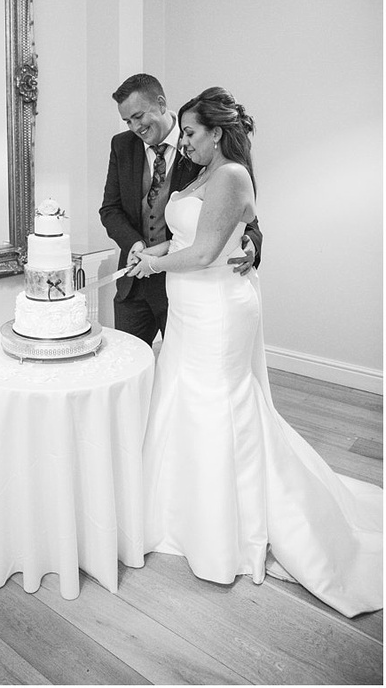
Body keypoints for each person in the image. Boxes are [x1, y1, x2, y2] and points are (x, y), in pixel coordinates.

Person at [129, 86, 382, 618]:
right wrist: (146, 249)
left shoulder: (231, 174)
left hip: (218, 309)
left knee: (219, 402)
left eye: (193, 134)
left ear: (216, 132)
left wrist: (154, 266)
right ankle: (183, 510)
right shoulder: (196, 172)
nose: (186, 143)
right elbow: (182, 238)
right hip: (190, 310)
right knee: (183, 399)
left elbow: (202, 252)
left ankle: (231, 525)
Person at [100, 73, 263, 346]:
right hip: (135, 284)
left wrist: (253, 244)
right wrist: (136, 245)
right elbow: (110, 209)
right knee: (129, 364)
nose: (135, 127)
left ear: (161, 104)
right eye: (127, 120)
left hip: (190, 284)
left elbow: (243, 215)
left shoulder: (204, 148)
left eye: (139, 116)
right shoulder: (122, 145)